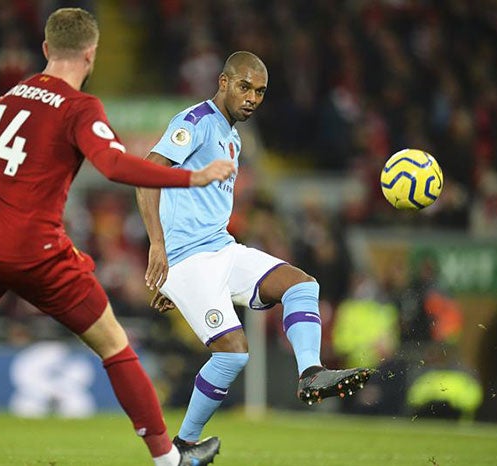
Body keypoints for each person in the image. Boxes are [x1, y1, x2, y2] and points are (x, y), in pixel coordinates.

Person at [0, 8, 234, 466]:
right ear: (91, 55)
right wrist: (192, 178)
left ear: (47, 49)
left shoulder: (6, 100)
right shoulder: (79, 107)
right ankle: (168, 459)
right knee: (114, 344)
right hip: (37, 250)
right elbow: (112, 166)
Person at [135, 51, 373, 447]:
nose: (252, 98)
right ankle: (183, 447)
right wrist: (160, 249)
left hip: (221, 250)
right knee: (233, 354)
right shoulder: (195, 122)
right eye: (245, 87)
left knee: (302, 286)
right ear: (224, 82)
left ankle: (311, 372)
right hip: (188, 259)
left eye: (260, 92)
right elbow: (147, 176)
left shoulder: (233, 138)